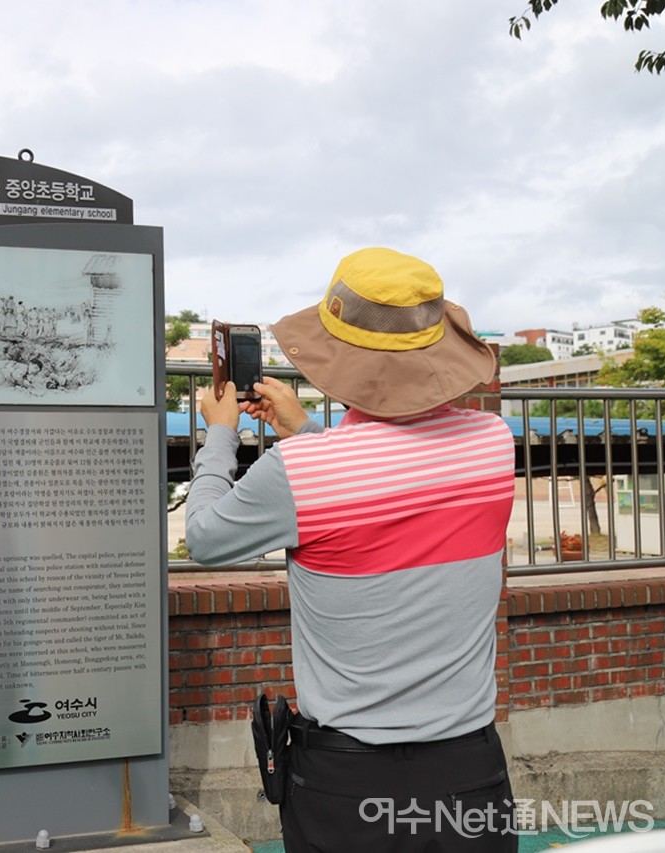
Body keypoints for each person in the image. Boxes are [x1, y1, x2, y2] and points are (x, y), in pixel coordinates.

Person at [185, 247, 517, 852]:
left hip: (345, 783)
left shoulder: (301, 471)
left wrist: (221, 434)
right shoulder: (493, 444)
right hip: (471, 772)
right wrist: (309, 431)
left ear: (336, 357)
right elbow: (394, 479)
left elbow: (205, 538)